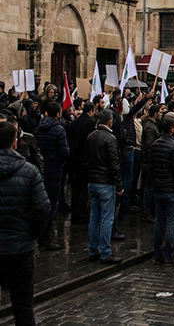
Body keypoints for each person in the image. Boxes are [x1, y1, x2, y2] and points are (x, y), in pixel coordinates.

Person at [0, 121, 50, 326]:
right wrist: (32, 233)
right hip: (20, 247)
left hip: (16, 243)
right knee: (23, 307)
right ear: (14, 142)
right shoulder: (29, 171)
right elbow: (43, 208)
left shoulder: (28, 171)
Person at [85, 109, 124, 264]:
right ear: (109, 121)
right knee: (107, 218)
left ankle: (93, 249)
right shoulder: (110, 138)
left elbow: (86, 160)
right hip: (105, 183)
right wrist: (119, 185)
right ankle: (106, 252)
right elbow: (114, 164)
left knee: (94, 217)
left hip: (93, 181)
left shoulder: (90, 137)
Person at [33, 101, 70, 251]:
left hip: (41, 170)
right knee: (50, 205)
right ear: (58, 114)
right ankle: (45, 238)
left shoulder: (38, 129)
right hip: (54, 170)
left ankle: (41, 236)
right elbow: (65, 152)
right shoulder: (59, 130)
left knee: (41, 203)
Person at [151, 117, 174, 265]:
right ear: (171, 128)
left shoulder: (155, 145)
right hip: (170, 189)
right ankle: (168, 254)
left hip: (158, 188)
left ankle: (158, 253)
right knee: (171, 223)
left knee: (159, 221)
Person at [68, 102, 95, 223]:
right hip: (84, 160)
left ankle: (74, 213)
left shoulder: (74, 123)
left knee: (75, 188)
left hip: (74, 159)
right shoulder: (90, 123)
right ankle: (83, 214)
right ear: (91, 111)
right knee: (83, 189)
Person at [140, 103, 162, 223]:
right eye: (160, 112)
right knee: (149, 188)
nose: (161, 114)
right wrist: (152, 161)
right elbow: (148, 146)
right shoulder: (150, 127)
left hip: (149, 162)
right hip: (148, 163)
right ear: (155, 114)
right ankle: (147, 213)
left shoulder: (151, 125)